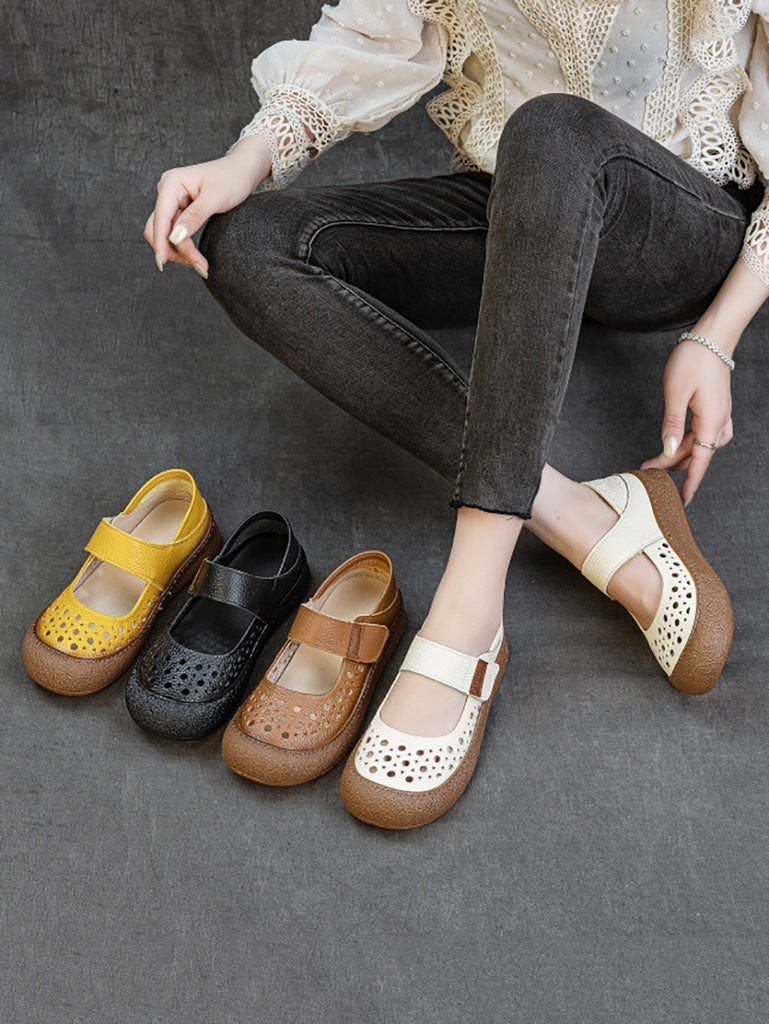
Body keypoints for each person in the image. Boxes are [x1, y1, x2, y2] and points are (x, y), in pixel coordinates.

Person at [143, 0, 769, 828]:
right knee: (249, 244)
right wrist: (243, 159)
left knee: (553, 126)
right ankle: (577, 515)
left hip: (670, 237)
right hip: (521, 211)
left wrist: (715, 337)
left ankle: (469, 606)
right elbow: (370, 35)